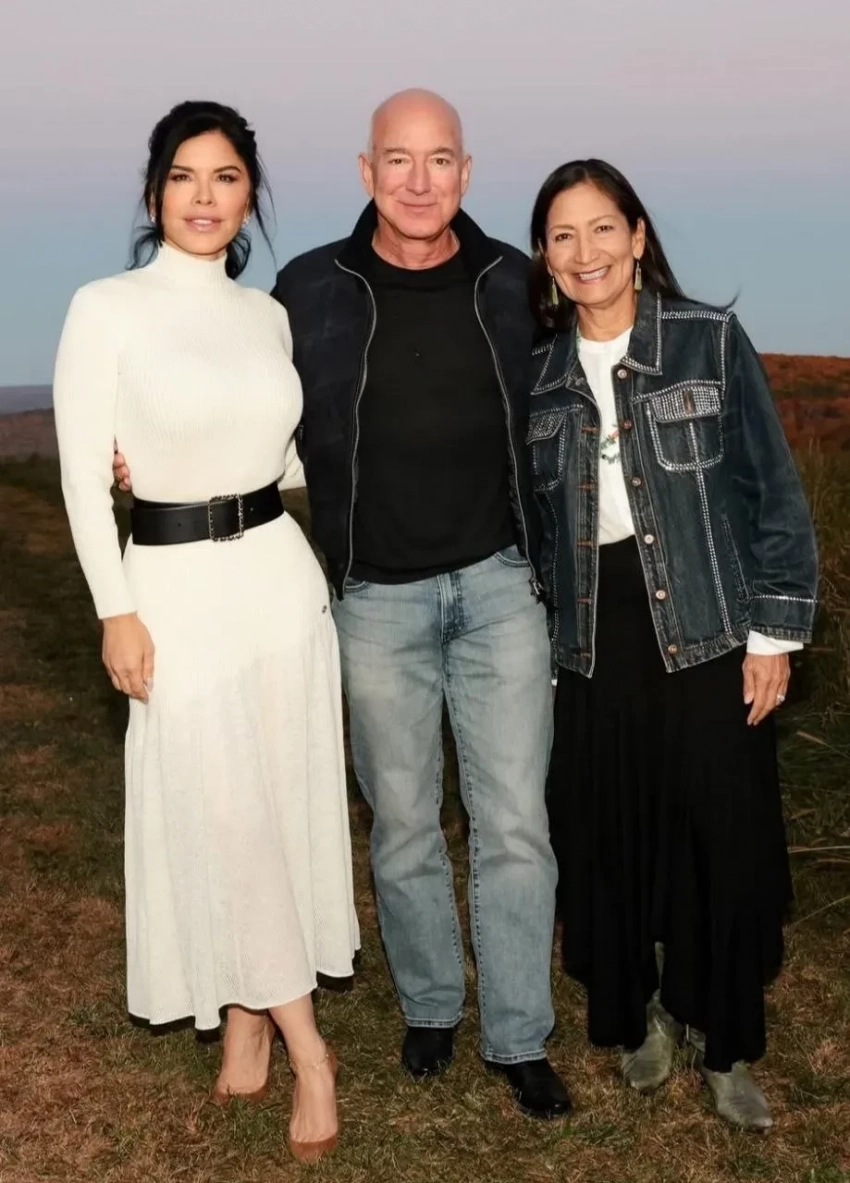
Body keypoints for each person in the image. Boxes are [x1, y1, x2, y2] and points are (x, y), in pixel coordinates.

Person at [118, 88, 570, 1120]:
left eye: (440, 159)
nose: (418, 180)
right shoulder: (309, 290)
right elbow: (251, 413)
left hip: (500, 585)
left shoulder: (515, 282)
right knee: (403, 821)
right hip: (372, 596)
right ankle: (430, 1008)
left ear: (466, 171)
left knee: (513, 821)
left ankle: (518, 1036)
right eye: (396, 160)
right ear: (367, 172)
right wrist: (147, 454)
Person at [54, 101, 358, 1164]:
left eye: (225, 177)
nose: (203, 196)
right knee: (224, 810)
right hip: (173, 590)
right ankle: (311, 1049)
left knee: (273, 802)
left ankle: (246, 1021)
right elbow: (82, 477)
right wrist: (115, 607)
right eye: (184, 176)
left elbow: (282, 457)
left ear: (248, 196)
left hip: (278, 580)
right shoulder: (106, 308)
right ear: (154, 193)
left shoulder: (267, 316)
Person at [527, 158, 818, 1130]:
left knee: (720, 841)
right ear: (545, 256)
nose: (586, 252)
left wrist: (773, 635)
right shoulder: (540, 376)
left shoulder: (707, 341)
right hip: (593, 640)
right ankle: (644, 1012)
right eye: (563, 235)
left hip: (706, 628)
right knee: (614, 840)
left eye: (602, 228)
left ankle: (725, 1042)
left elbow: (773, 495)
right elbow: (532, 522)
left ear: (638, 236)